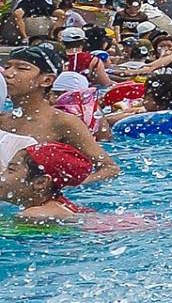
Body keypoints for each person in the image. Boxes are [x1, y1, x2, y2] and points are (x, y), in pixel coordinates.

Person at [0, 47, 120, 185]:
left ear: (47, 80)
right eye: (7, 67)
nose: (8, 74)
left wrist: (65, 188)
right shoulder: (2, 120)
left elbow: (110, 168)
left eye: (21, 68)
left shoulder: (62, 122)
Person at [0, 141, 97, 221]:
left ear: (40, 182)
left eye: (11, 169)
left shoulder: (33, 216)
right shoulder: (64, 208)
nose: (2, 175)